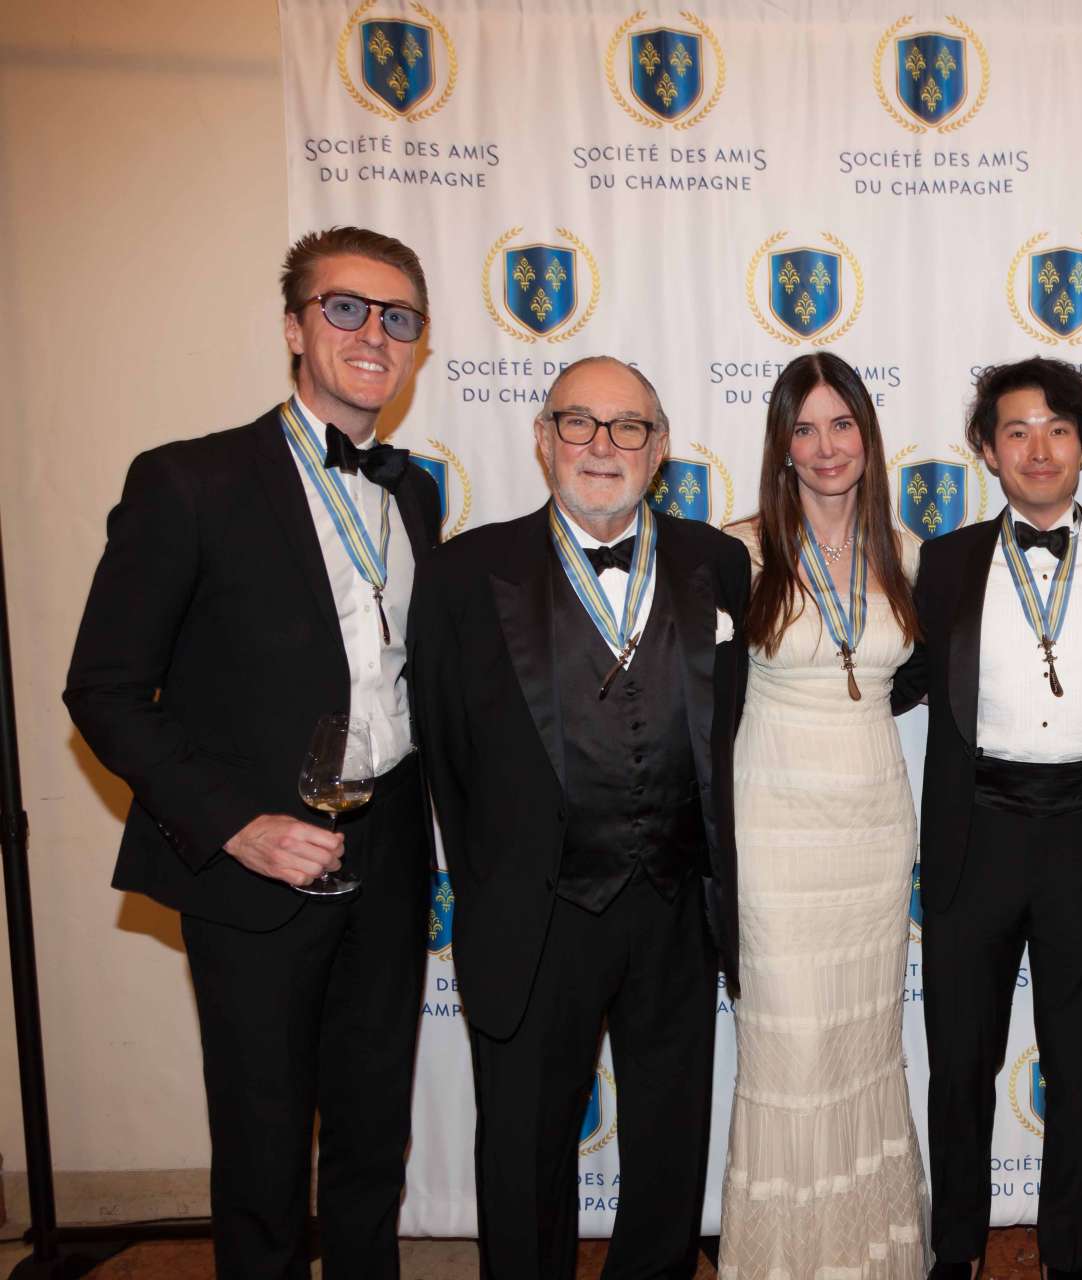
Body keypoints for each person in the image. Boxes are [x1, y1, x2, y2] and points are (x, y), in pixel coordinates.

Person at [63, 227, 439, 1278]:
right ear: (293, 327)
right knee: (264, 1151)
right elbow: (102, 690)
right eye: (345, 308)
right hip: (255, 866)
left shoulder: (415, 493)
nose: (374, 333)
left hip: (389, 852)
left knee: (373, 1135)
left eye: (399, 317)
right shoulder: (189, 480)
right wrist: (237, 825)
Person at [408, 357, 750, 1280]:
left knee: (671, 1143)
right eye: (578, 422)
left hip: (677, 904)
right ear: (542, 437)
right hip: (536, 911)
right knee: (523, 1150)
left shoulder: (717, 562)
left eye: (628, 426)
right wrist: (500, 882)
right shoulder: (463, 574)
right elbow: (444, 755)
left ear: (660, 448)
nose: (603, 445)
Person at [893, 357, 1082, 1280]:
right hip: (975, 832)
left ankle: (1067, 1256)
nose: (1038, 449)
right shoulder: (943, 563)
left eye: (1057, 429)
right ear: (986, 449)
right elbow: (892, 676)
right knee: (959, 1063)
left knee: (1081, 1068)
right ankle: (958, 1249)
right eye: (1016, 431)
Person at [717, 353, 929, 1277]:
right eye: (803, 428)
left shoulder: (906, 553)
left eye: (842, 424)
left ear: (868, 436)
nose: (826, 446)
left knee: (861, 1043)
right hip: (773, 826)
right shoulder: (737, 552)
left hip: (873, 824)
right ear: (781, 445)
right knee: (792, 1049)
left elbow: (916, 679)